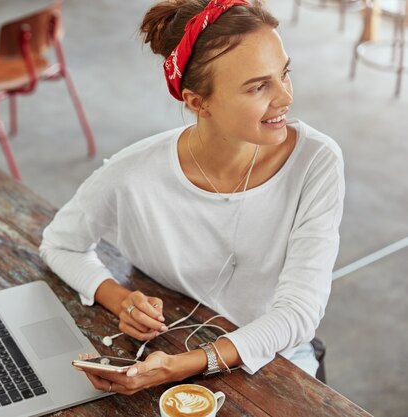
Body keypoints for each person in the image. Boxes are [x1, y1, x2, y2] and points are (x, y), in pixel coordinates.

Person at [39, 0, 344, 395]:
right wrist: (121, 300)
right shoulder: (132, 175)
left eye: (284, 74)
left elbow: (298, 313)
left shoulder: (315, 161)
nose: (285, 97)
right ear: (198, 102)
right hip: (171, 346)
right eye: (258, 86)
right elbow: (59, 244)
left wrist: (180, 367)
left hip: (278, 362)